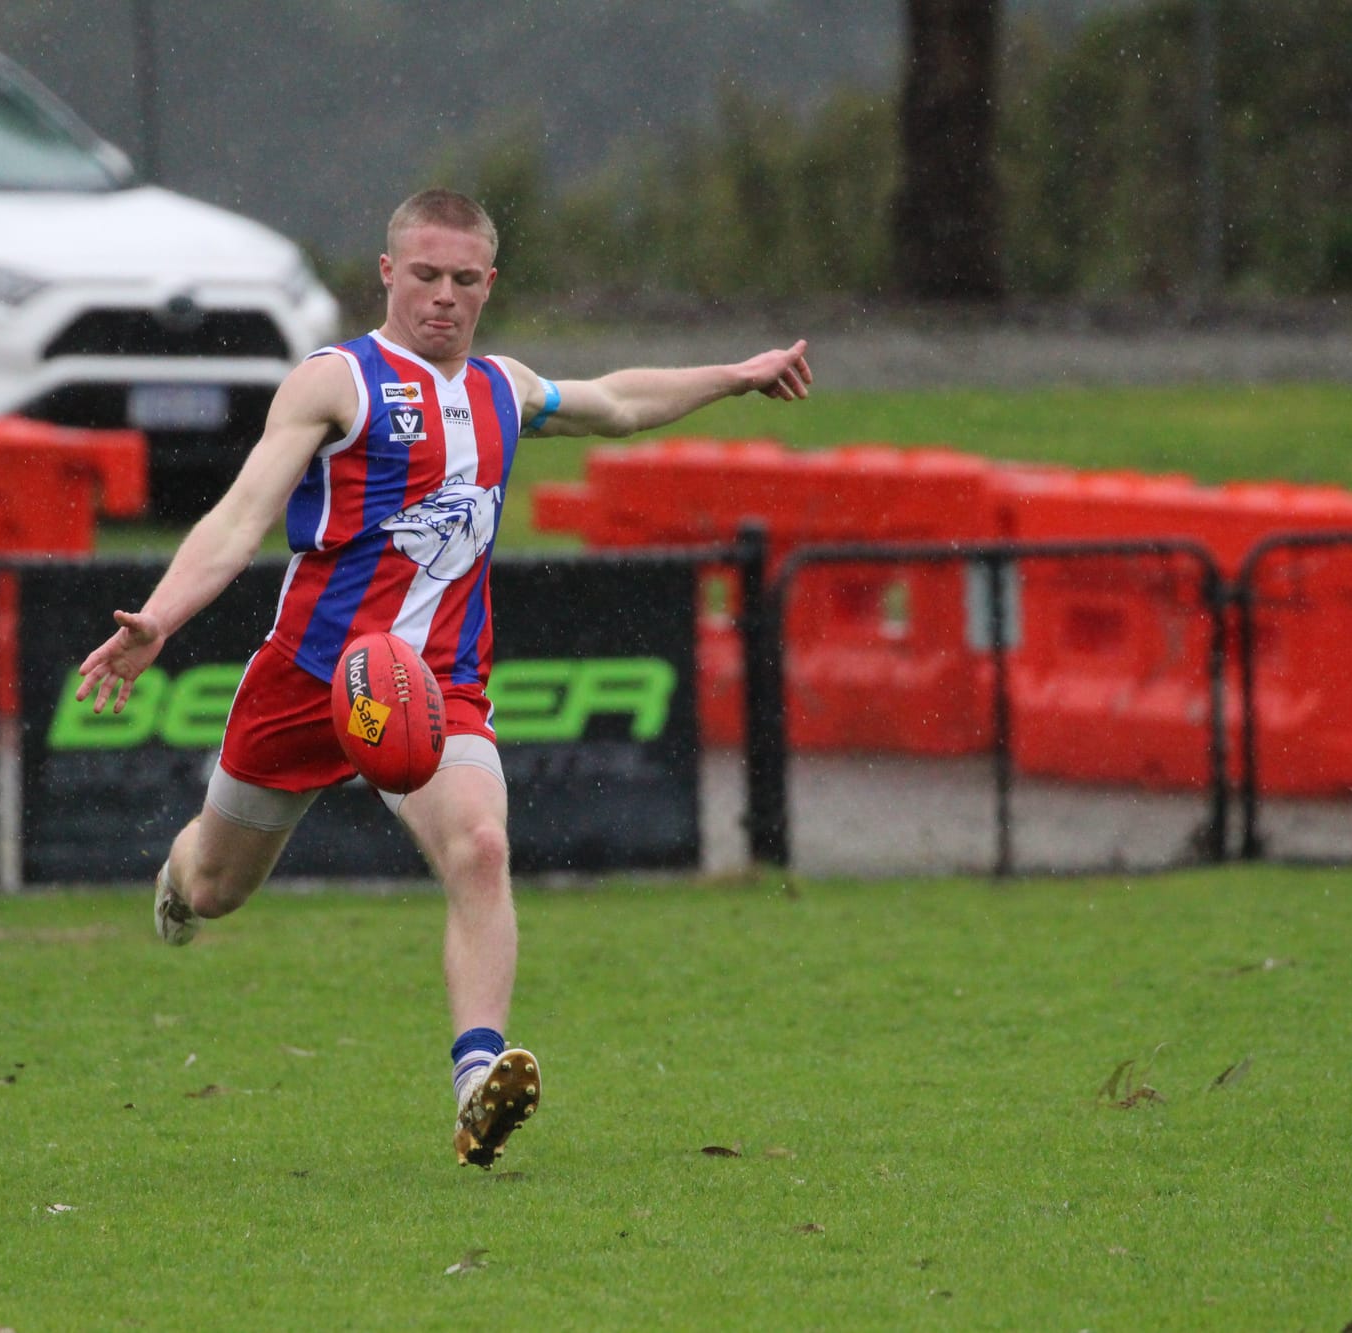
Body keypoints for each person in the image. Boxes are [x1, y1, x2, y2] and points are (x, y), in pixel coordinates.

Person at [75, 188, 811, 1168]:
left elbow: (618, 402)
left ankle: (477, 1086)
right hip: (307, 677)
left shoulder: (505, 389)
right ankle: (178, 877)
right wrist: (160, 617)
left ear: (489, 284)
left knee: (481, 847)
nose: (443, 296)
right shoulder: (335, 381)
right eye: (424, 274)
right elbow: (240, 516)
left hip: (434, 684)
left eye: (464, 279)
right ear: (388, 273)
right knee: (217, 887)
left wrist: (735, 376)